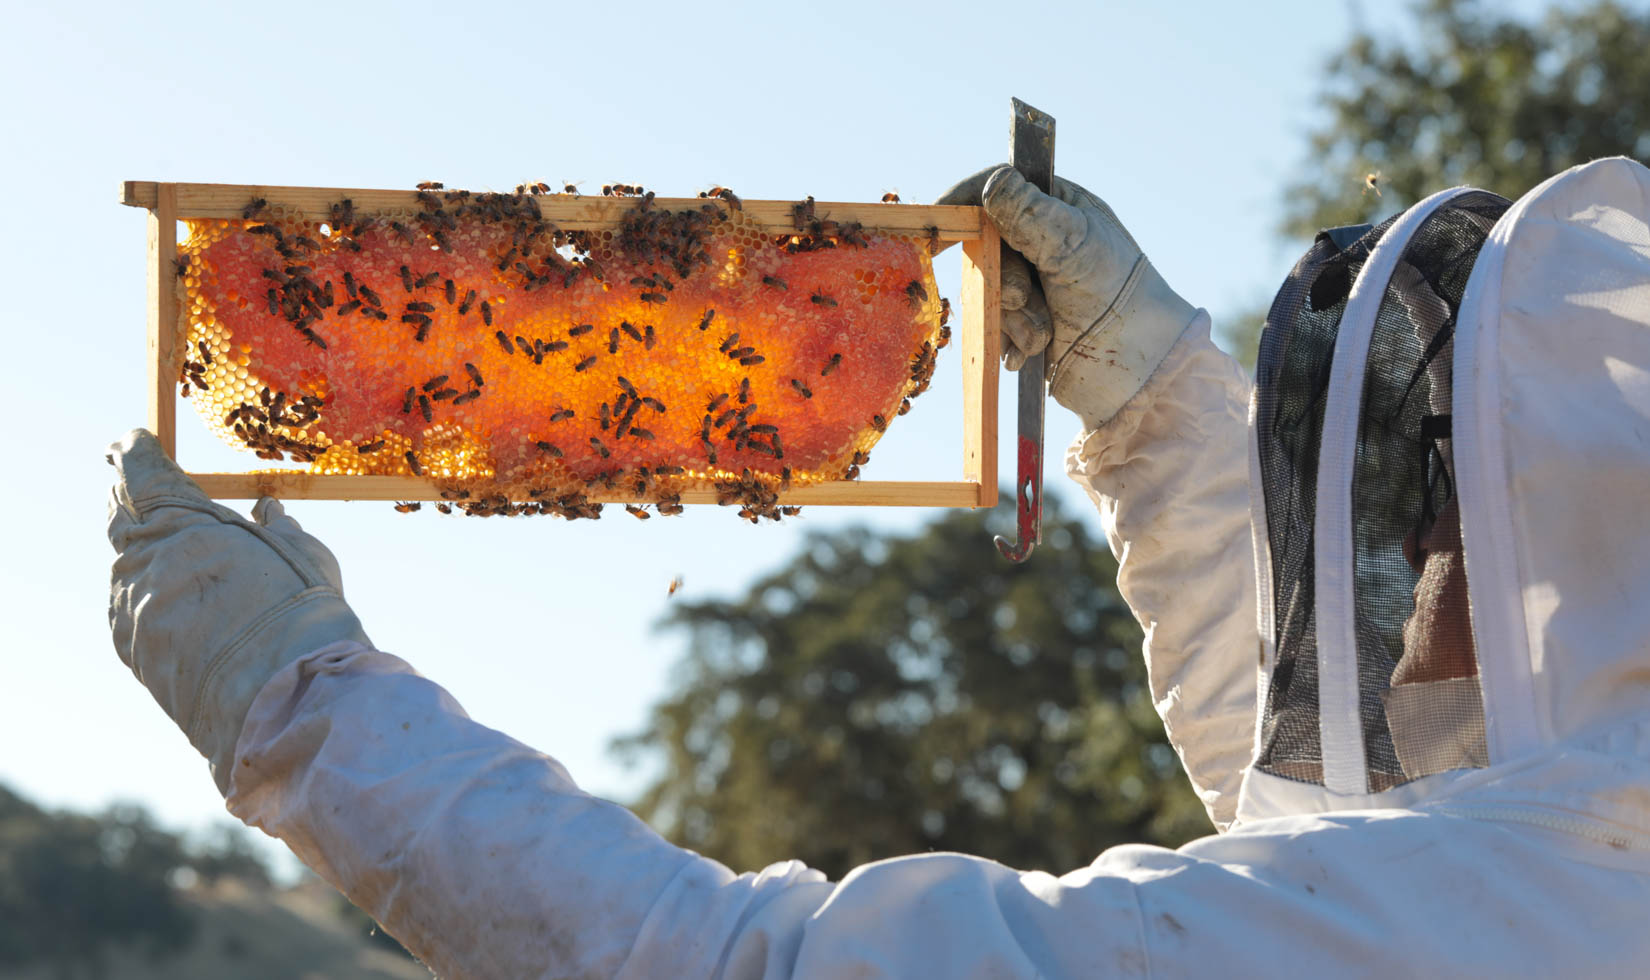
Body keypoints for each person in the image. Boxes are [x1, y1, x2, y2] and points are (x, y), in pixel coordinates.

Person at [107, 157, 1650, 978]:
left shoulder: (1512, 900)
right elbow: (1306, 820)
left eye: (1426, 501)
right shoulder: (1571, 860)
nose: (1397, 555)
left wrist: (300, 713)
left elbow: (747, 978)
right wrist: (1154, 397)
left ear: (1565, 520)